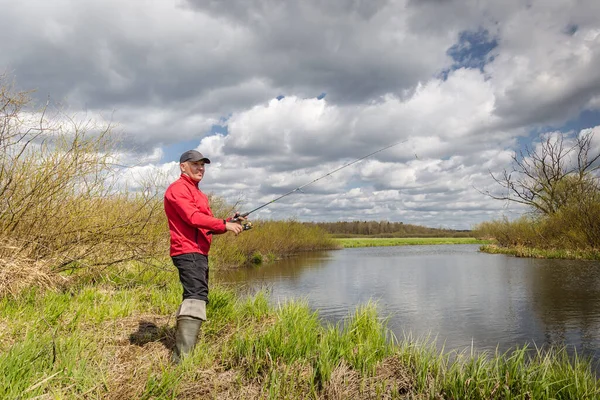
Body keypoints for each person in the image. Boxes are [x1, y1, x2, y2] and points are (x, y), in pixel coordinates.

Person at [164, 149, 245, 363]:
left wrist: (230, 222)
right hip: (187, 250)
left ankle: (185, 351)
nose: (201, 168)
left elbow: (207, 225)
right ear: (183, 166)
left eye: (203, 165)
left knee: (196, 294)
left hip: (199, 252)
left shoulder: (199, 194)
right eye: (196, 164)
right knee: (196, 295)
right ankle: (181, 359)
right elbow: (192, 217)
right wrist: (223, 224)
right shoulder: (177, 189)